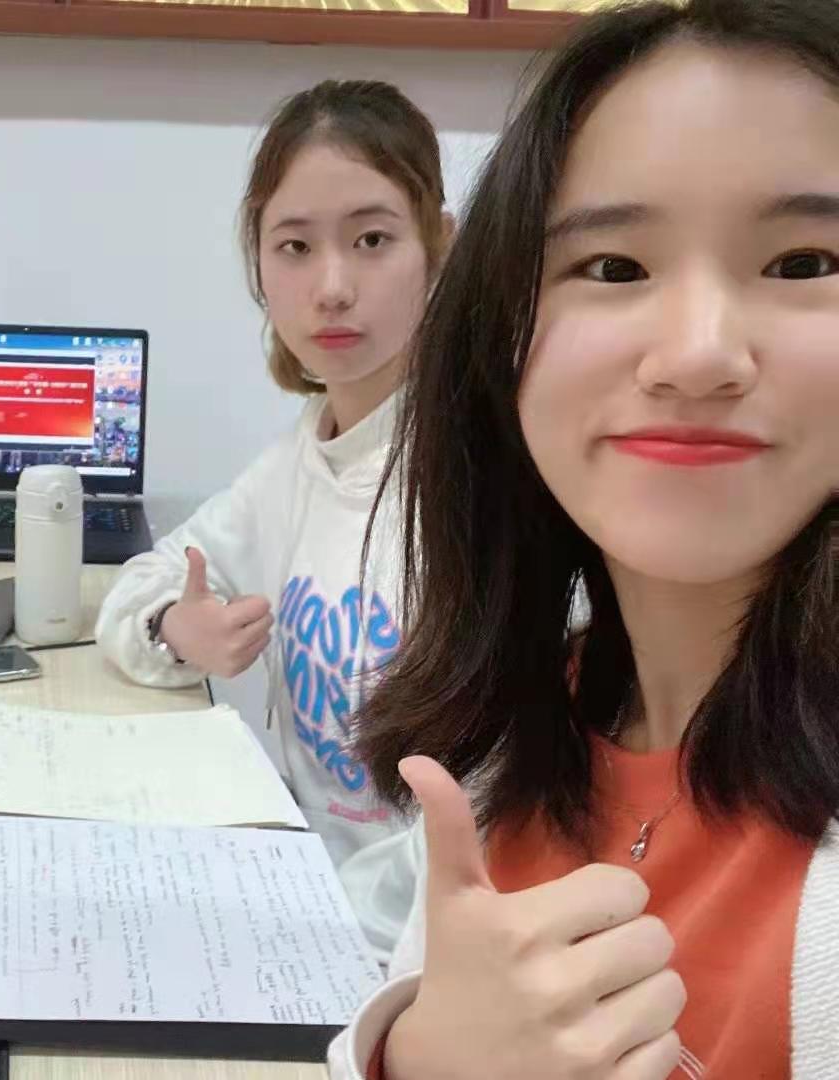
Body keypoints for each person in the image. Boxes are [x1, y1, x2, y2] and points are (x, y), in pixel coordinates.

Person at [327, 2, 839, 1077]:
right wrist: (415, 1056)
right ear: (499, 338)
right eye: (612, 268)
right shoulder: (516, 733)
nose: (698, 355)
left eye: (804, 264)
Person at [96, 80, 450, 871]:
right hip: (298, 881)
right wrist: (176, 628)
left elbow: (501, 824)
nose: (332, 288)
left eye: (372, 239)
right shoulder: (296, 463)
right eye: (295, 247)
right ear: (259, 264)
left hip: (420, 927)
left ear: (439, 248)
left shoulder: (487, 481)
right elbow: (145, 582)